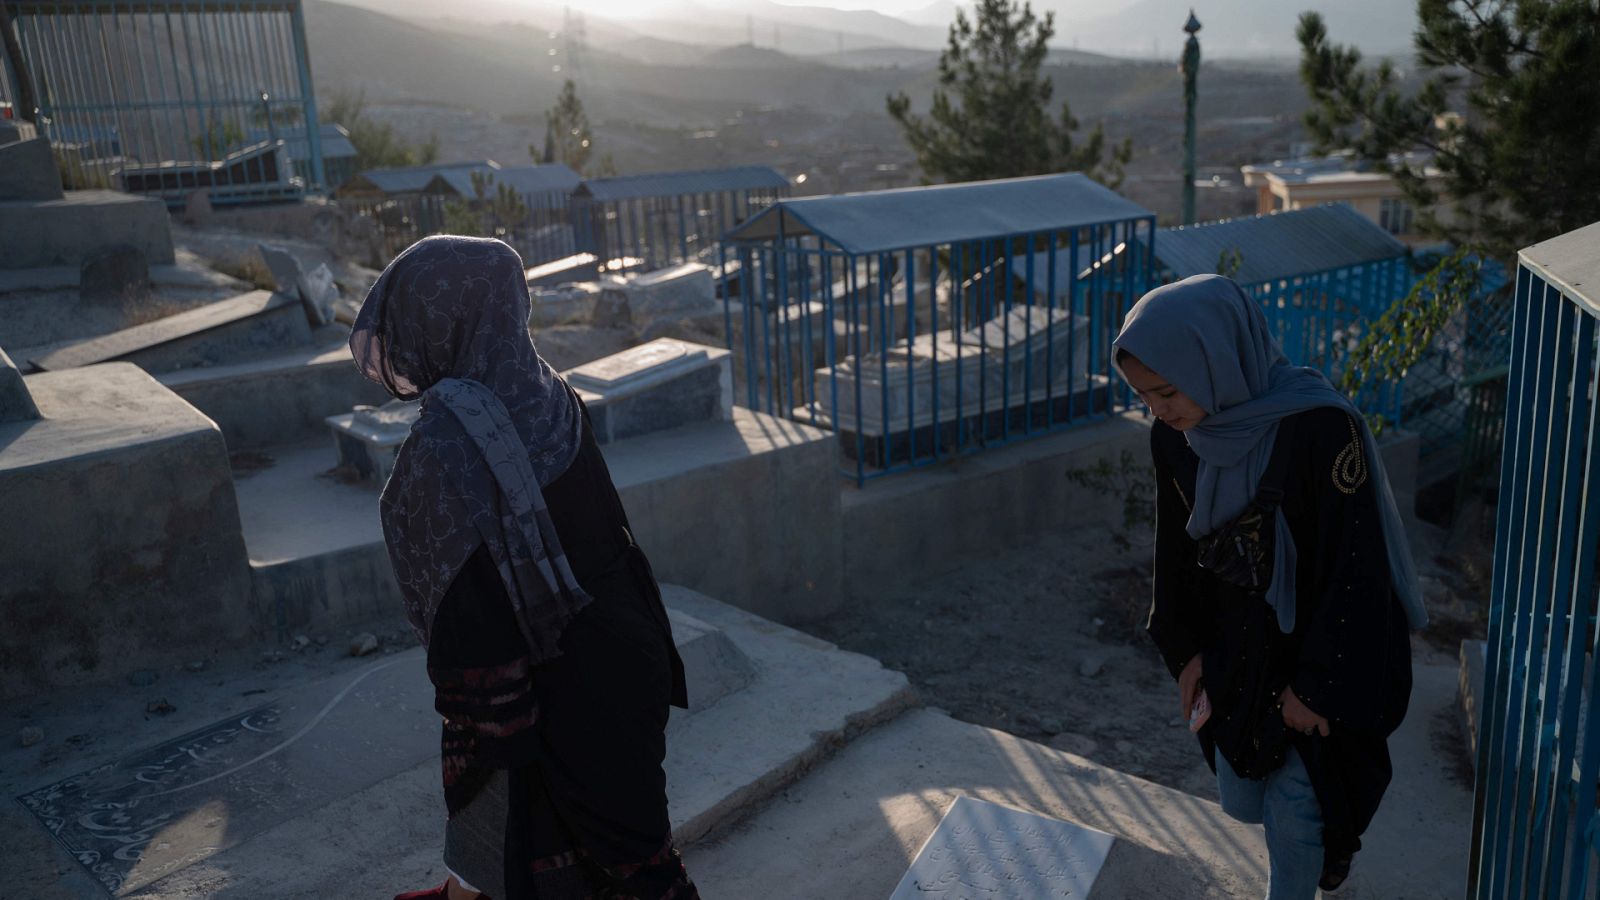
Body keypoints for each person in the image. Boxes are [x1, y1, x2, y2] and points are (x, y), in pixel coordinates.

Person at [351, 235, 699, 900]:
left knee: (621, 866)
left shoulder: (443, 445)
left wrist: (492, 726)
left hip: (552, 693)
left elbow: (465, 608)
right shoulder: (550, 393)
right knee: (614, 848)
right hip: (628, 650)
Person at [1112, 275, 1425, 898]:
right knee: (1248, 791)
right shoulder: (1175, 438)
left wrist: (1316, 683)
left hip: (1320, 639)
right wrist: (1184, 651)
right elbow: (1174, 550)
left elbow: (1354, 563)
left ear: (1217, 361)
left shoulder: (1317, 427)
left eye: (1168, 391)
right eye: (1145, 396)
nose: (1160, 410)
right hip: (1237, 645)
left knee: (1298, 807)